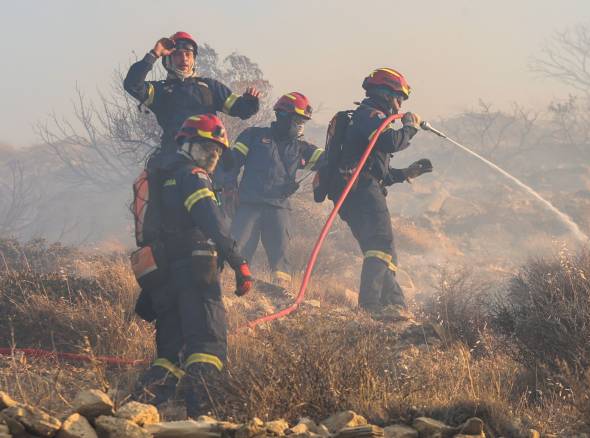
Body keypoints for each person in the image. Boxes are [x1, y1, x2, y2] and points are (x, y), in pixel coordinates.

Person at [132, 114, 253, 418]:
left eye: (217, 151)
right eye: (206, 147)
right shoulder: (192, 175)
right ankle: (204, 416)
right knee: (207, 344)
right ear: (186, 144)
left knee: (170, 353)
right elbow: (210, 220)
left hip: (162, 271)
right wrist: (238, 261)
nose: (213, 155)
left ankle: (135, 411)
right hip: (193, 270)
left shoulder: (160, 174)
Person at [337, 68, 433, 320]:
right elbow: (390, 142)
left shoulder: (372, 118)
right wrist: (410, 127)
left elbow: (380, 173)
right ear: (384, 93)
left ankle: (395, 305)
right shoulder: (369, 115)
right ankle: (370, 306)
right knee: (381, 245)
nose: (400, 104)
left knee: (383, 251)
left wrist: (407, 173)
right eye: (398, 97)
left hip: (360, 190)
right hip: (362, 193)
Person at [223, 92, 324, 290]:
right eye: (297, 120)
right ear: (283, 116)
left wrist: (344, 150)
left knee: (281, 256)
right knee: (238, 249)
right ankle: (232, 290)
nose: (300, 125)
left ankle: (281, 294)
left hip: (279, 208)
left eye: (303, 121)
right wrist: (228, 187)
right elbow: (231, 164)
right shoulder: (253, 136)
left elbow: (328, 160)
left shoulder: (301, 148)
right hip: (248, 205)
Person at [123, 31, 260, 153]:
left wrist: (250, 102)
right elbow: (132, 84)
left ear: (193, 59)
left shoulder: (210, 87)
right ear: (168, 59)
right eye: (178, 55)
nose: (184, 59)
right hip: (173, 160)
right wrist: (155, 53)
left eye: (188, 54)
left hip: (208, 160)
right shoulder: (159, 90)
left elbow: (243, 110)